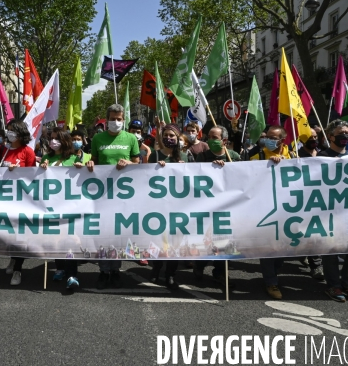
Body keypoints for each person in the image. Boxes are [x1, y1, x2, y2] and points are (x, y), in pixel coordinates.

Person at [86, 104, 140, 289]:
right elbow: (93, 159)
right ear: (106, 120)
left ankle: (115, 270)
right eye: (113, 119)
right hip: (102, 193)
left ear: (123, 120)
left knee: (117, 233)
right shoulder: (97, 138)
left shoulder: (131, 138)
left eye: (119, 119)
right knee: (102, 233)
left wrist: (129, 163)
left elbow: (137, 162)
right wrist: (90, 163)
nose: (116, 122)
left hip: (123, 194)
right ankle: (103, 270)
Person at [317, 120, 348, 304]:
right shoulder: (321, 157)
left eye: (347, 132)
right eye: (341, 132)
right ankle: (333, 284)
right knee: (330, 248)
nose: (345, 135)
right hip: (328, 212)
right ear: (330, 136)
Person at [251, 125, 294, 299]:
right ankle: (271, 282)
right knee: (269, 248)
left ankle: (273, 273)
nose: (268, 140)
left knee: (282, 249)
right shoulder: (257, 157)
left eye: (273, 137)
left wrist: (286, 162)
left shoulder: (292, 156)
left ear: (282, 140)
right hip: (265, 208)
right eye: (267, 136)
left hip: (286, 209)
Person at [193, 125, 238, 289]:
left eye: (214, 137)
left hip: (228, 207)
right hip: (207, 206)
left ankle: (220, 273)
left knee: (226, 241)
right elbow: (196, 177)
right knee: (208, 240)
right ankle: (200, 265)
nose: (209, 140)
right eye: (208, 137)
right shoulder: (202, 156)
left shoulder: (234, 156)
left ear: (224, 140)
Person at [0, 119, 36, 286]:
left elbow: (32, 177)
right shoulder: (2, 150)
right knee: (9, 235)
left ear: (20, 133)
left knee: (21, 236)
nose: (9, 133)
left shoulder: (28, 151)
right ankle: (12, 259)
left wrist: (18, 172)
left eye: (13, 130)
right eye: (8, 130)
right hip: (4, 199)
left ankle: (18, 268)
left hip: (22, 200)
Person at [41, 128, 84, 290]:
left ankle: (72, 274)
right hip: (52, 206)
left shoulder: (73, 158)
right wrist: (42, 168)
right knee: (55, 239)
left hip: (69, 206)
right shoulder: (46, 158)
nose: (53, 141)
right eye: (51, 138)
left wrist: (81, 169)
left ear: (64, 140)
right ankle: (59, 268)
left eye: (56, 138)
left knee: (70, 240)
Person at [148, 124, 188, 289]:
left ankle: (170, 274)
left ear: (178, 138)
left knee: (175, 243)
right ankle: (156, 271)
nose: (169, 138)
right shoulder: (155, 155)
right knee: (159, 241)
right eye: (166, 135)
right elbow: (146, 177)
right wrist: (158, 168)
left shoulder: (185, 157)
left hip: (179, 207)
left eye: (172, 136)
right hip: (160, 206)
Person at [296, 128, 325, 281]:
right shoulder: (297, 156)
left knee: (317, 233)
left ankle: (316, 264)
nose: (313, 139)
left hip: (321, 199)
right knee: (308, 232)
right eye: (309, 137)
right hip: (304, 200)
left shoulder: (323, 154)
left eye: (315, 136)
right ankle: (314, 262)